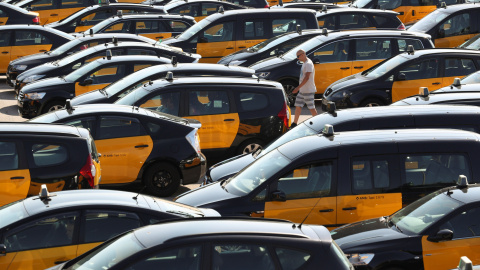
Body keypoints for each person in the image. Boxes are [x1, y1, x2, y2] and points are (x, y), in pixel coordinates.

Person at [291, 49, 317, 128]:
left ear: (303, 54)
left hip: (308, 90)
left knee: (311, 108)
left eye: (298, 56)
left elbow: (307, 78)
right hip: (303, 90)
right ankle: (294, 123)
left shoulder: (308, 64)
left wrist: (298, 88)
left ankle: (318, 123)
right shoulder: (305, 63)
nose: (298, 58)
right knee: (298, 106)